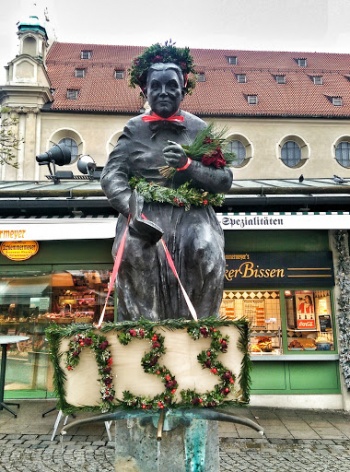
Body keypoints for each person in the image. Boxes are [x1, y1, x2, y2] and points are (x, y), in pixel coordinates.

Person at [101, 43, 233, 321]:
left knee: (204, 248)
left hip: (191, 215)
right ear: (145, 90)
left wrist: (188, 166)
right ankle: (143, 336)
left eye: (171, 86)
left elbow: (224, 180)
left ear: (183, 89)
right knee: (133, 252)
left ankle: (200, 330)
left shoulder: (199, 128)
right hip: (145, 213)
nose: (163, 92)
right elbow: (112, 175)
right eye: (155, 86)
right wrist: (131, 209)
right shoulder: (134, 128)